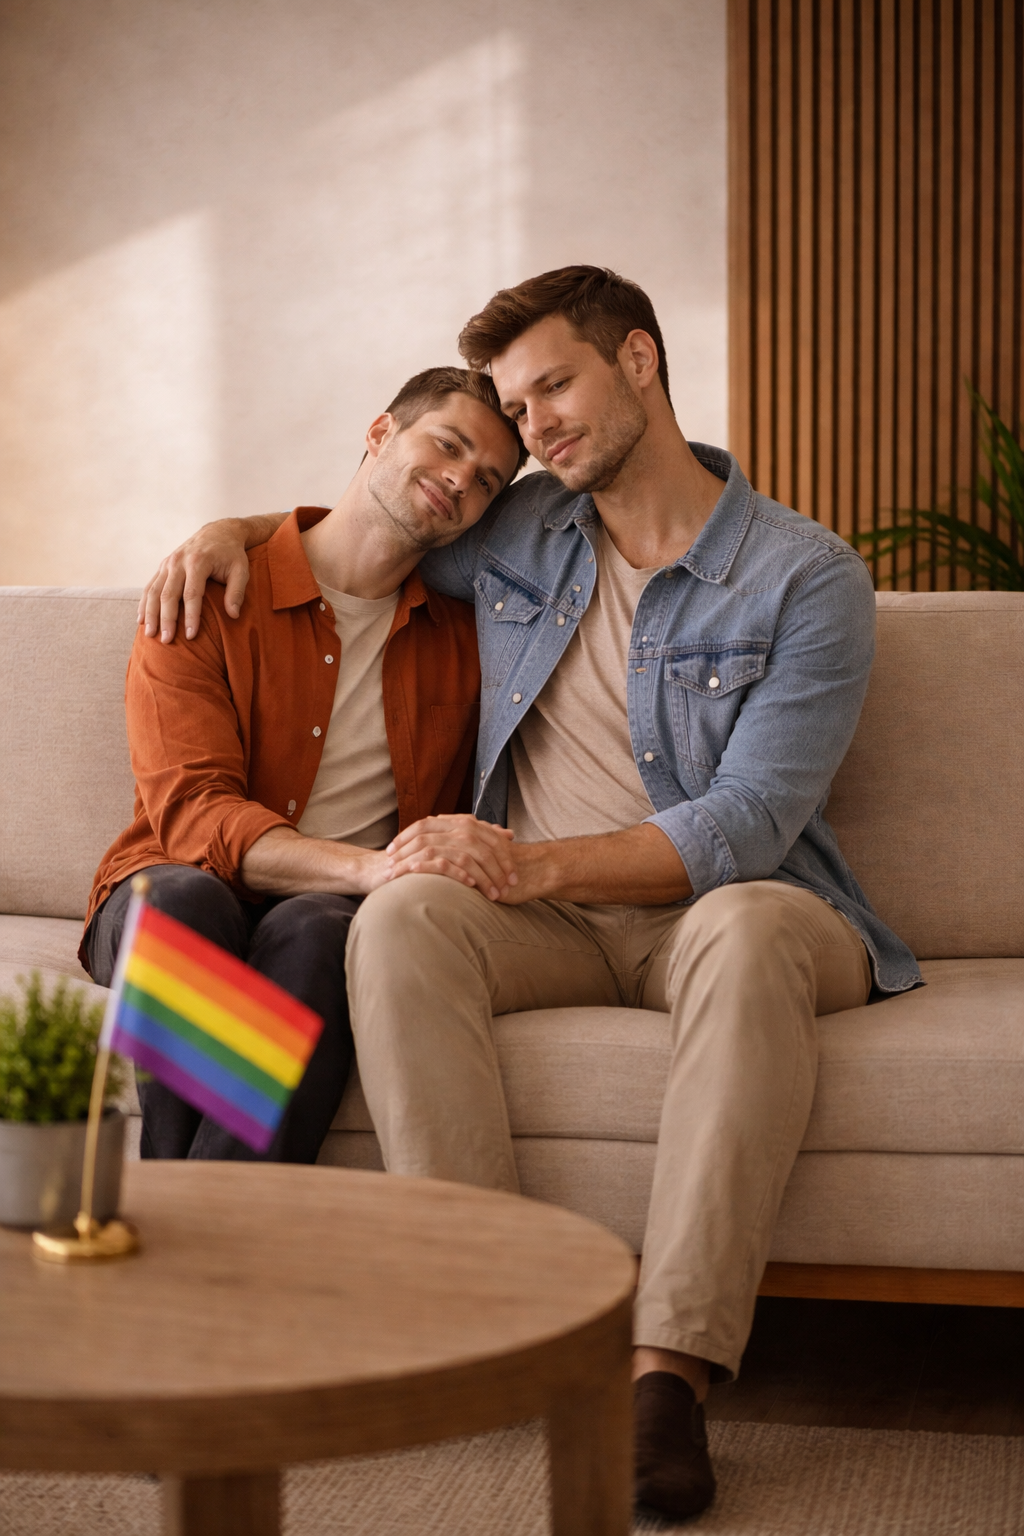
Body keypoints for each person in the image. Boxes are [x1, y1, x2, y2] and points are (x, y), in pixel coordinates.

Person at [141, 267, 920, 1519]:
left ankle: (665, 1373)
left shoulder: (804, 575)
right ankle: (494, 1319)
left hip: (734, 907)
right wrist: (225, 531)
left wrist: (527, 860)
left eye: (554, 385)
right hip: (545, 927)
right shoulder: (523, 530)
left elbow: (748, 824)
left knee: (746, 921)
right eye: (513, 404)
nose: (535, 429)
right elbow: (372, 520)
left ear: (641, 362)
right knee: (395, 913)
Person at [83, 366, 524, 1165]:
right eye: (448, 445)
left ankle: (183, 1216)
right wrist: (372, 868)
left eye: (487, 480)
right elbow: (191, 817)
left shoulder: (472, 635)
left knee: (321, 931)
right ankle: (227, 1230)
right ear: (381, 431)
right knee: (184, 902)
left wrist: (362, 884)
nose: (461, 480)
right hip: (175, 885)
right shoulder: (206, 593)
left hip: (326, 915)